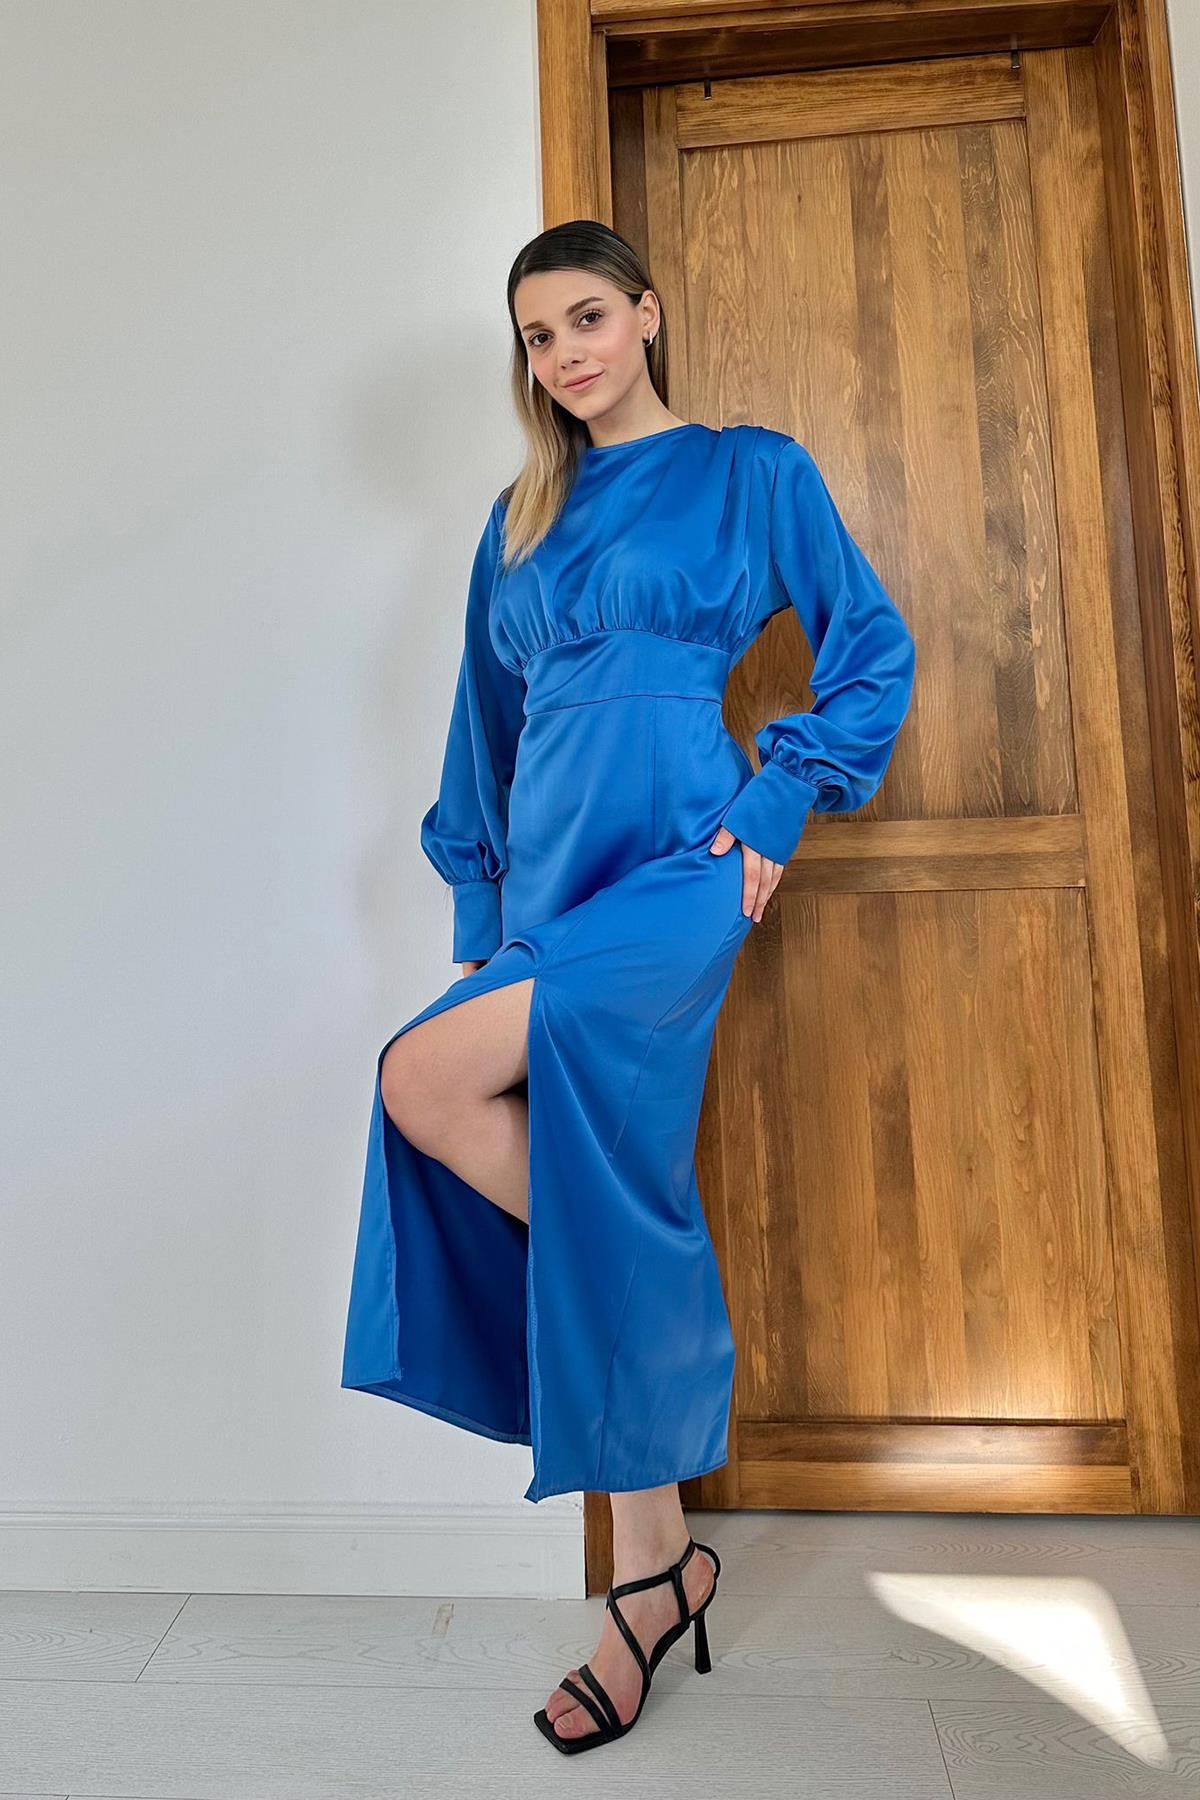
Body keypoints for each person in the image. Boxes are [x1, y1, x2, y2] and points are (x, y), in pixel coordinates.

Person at [341, 218, 917, 1753]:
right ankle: (659, 1572)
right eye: (538, 336)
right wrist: (483, 906)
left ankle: (655, 1545)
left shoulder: (750, 473)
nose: (565, 354)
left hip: (680, 867)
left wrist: (778, 804)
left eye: (587, 318)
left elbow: (872, 648)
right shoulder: (517, 515)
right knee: (490, 1120)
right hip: (550, 882)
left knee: (426, 1083)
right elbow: (483, 728)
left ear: (647, 314)